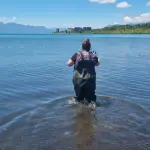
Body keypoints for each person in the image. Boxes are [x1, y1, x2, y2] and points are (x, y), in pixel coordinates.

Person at [67, 39, 100, 105]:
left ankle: (79, 112)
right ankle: (92, 112)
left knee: (79, 99)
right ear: (90, 47)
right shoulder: (93, 55)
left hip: (79, 80)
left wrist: (73, 59)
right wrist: (97, 56)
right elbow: (97, 64)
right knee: (91, 100)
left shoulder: (77, 54)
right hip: (90, 79)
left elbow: (69, 64)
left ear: (82, 47)